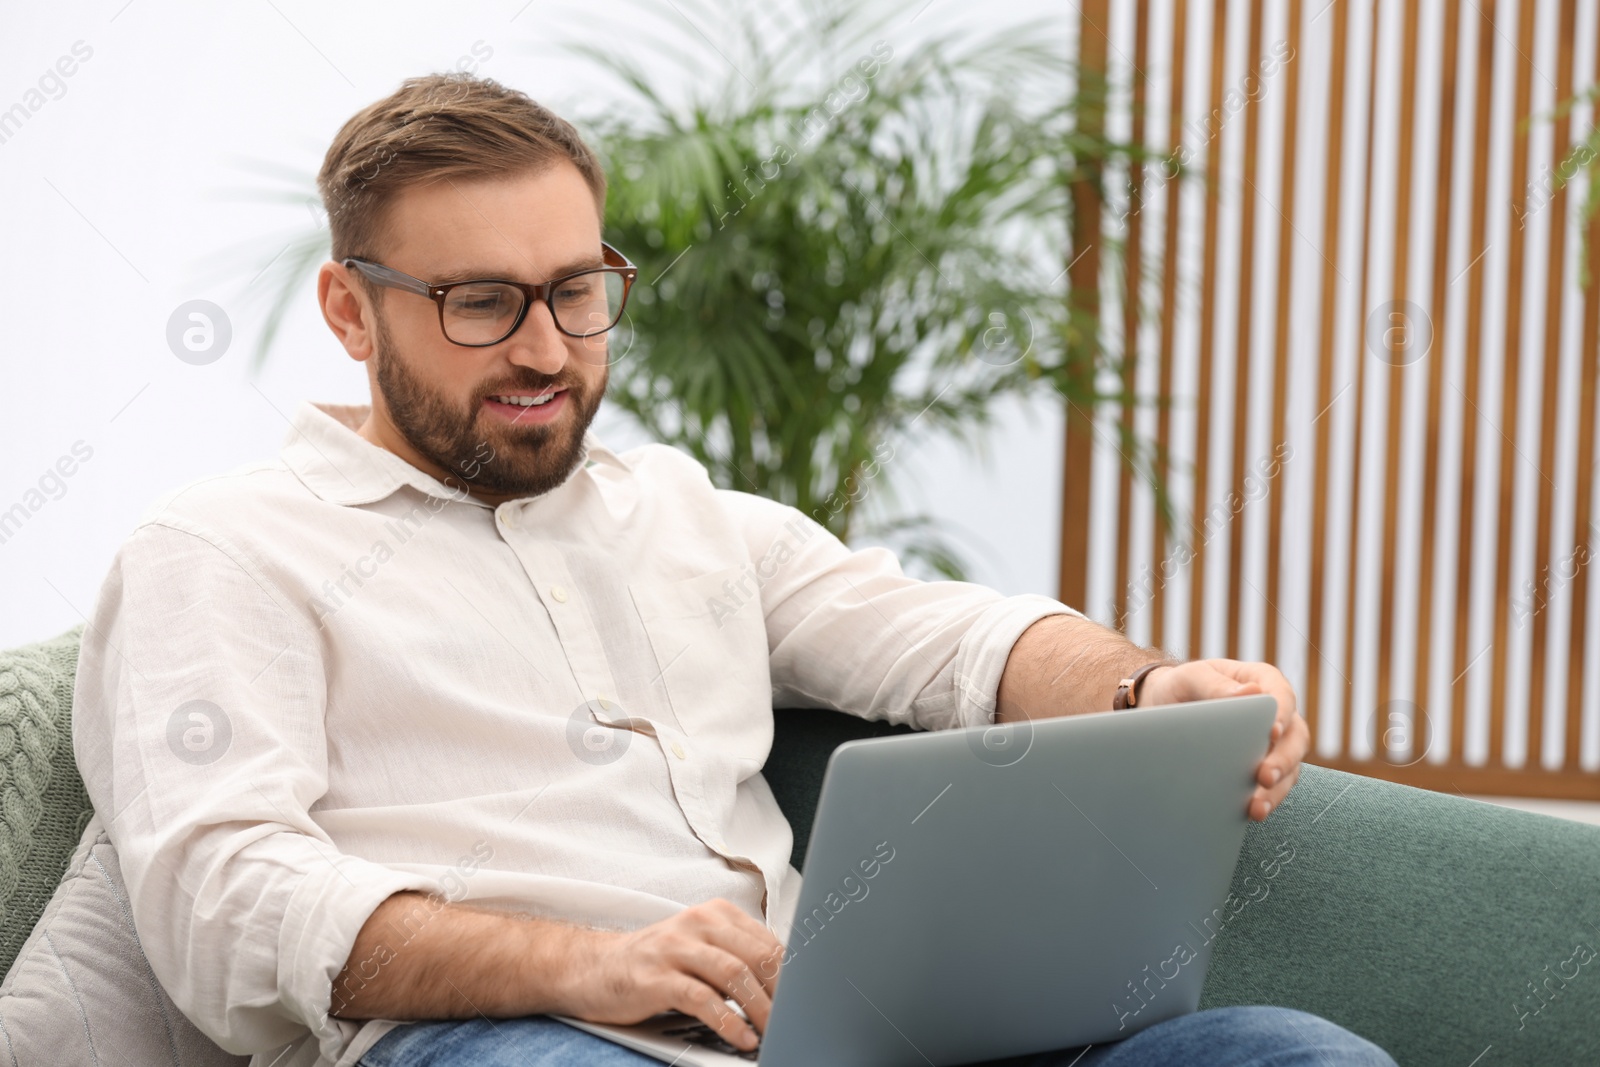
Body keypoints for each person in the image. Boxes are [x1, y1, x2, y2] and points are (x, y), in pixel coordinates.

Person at [71, 72, 1394, 1067]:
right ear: (351, 311)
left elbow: (948, 644)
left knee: (1294, 1056)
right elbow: (223, 898)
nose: (546, 349)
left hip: (826, 1033)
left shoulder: (686, 512)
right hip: (512, 1038)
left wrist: (1142, 688)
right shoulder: (224, 552)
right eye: (481, 303)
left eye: (576, 290)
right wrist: (576, 966)